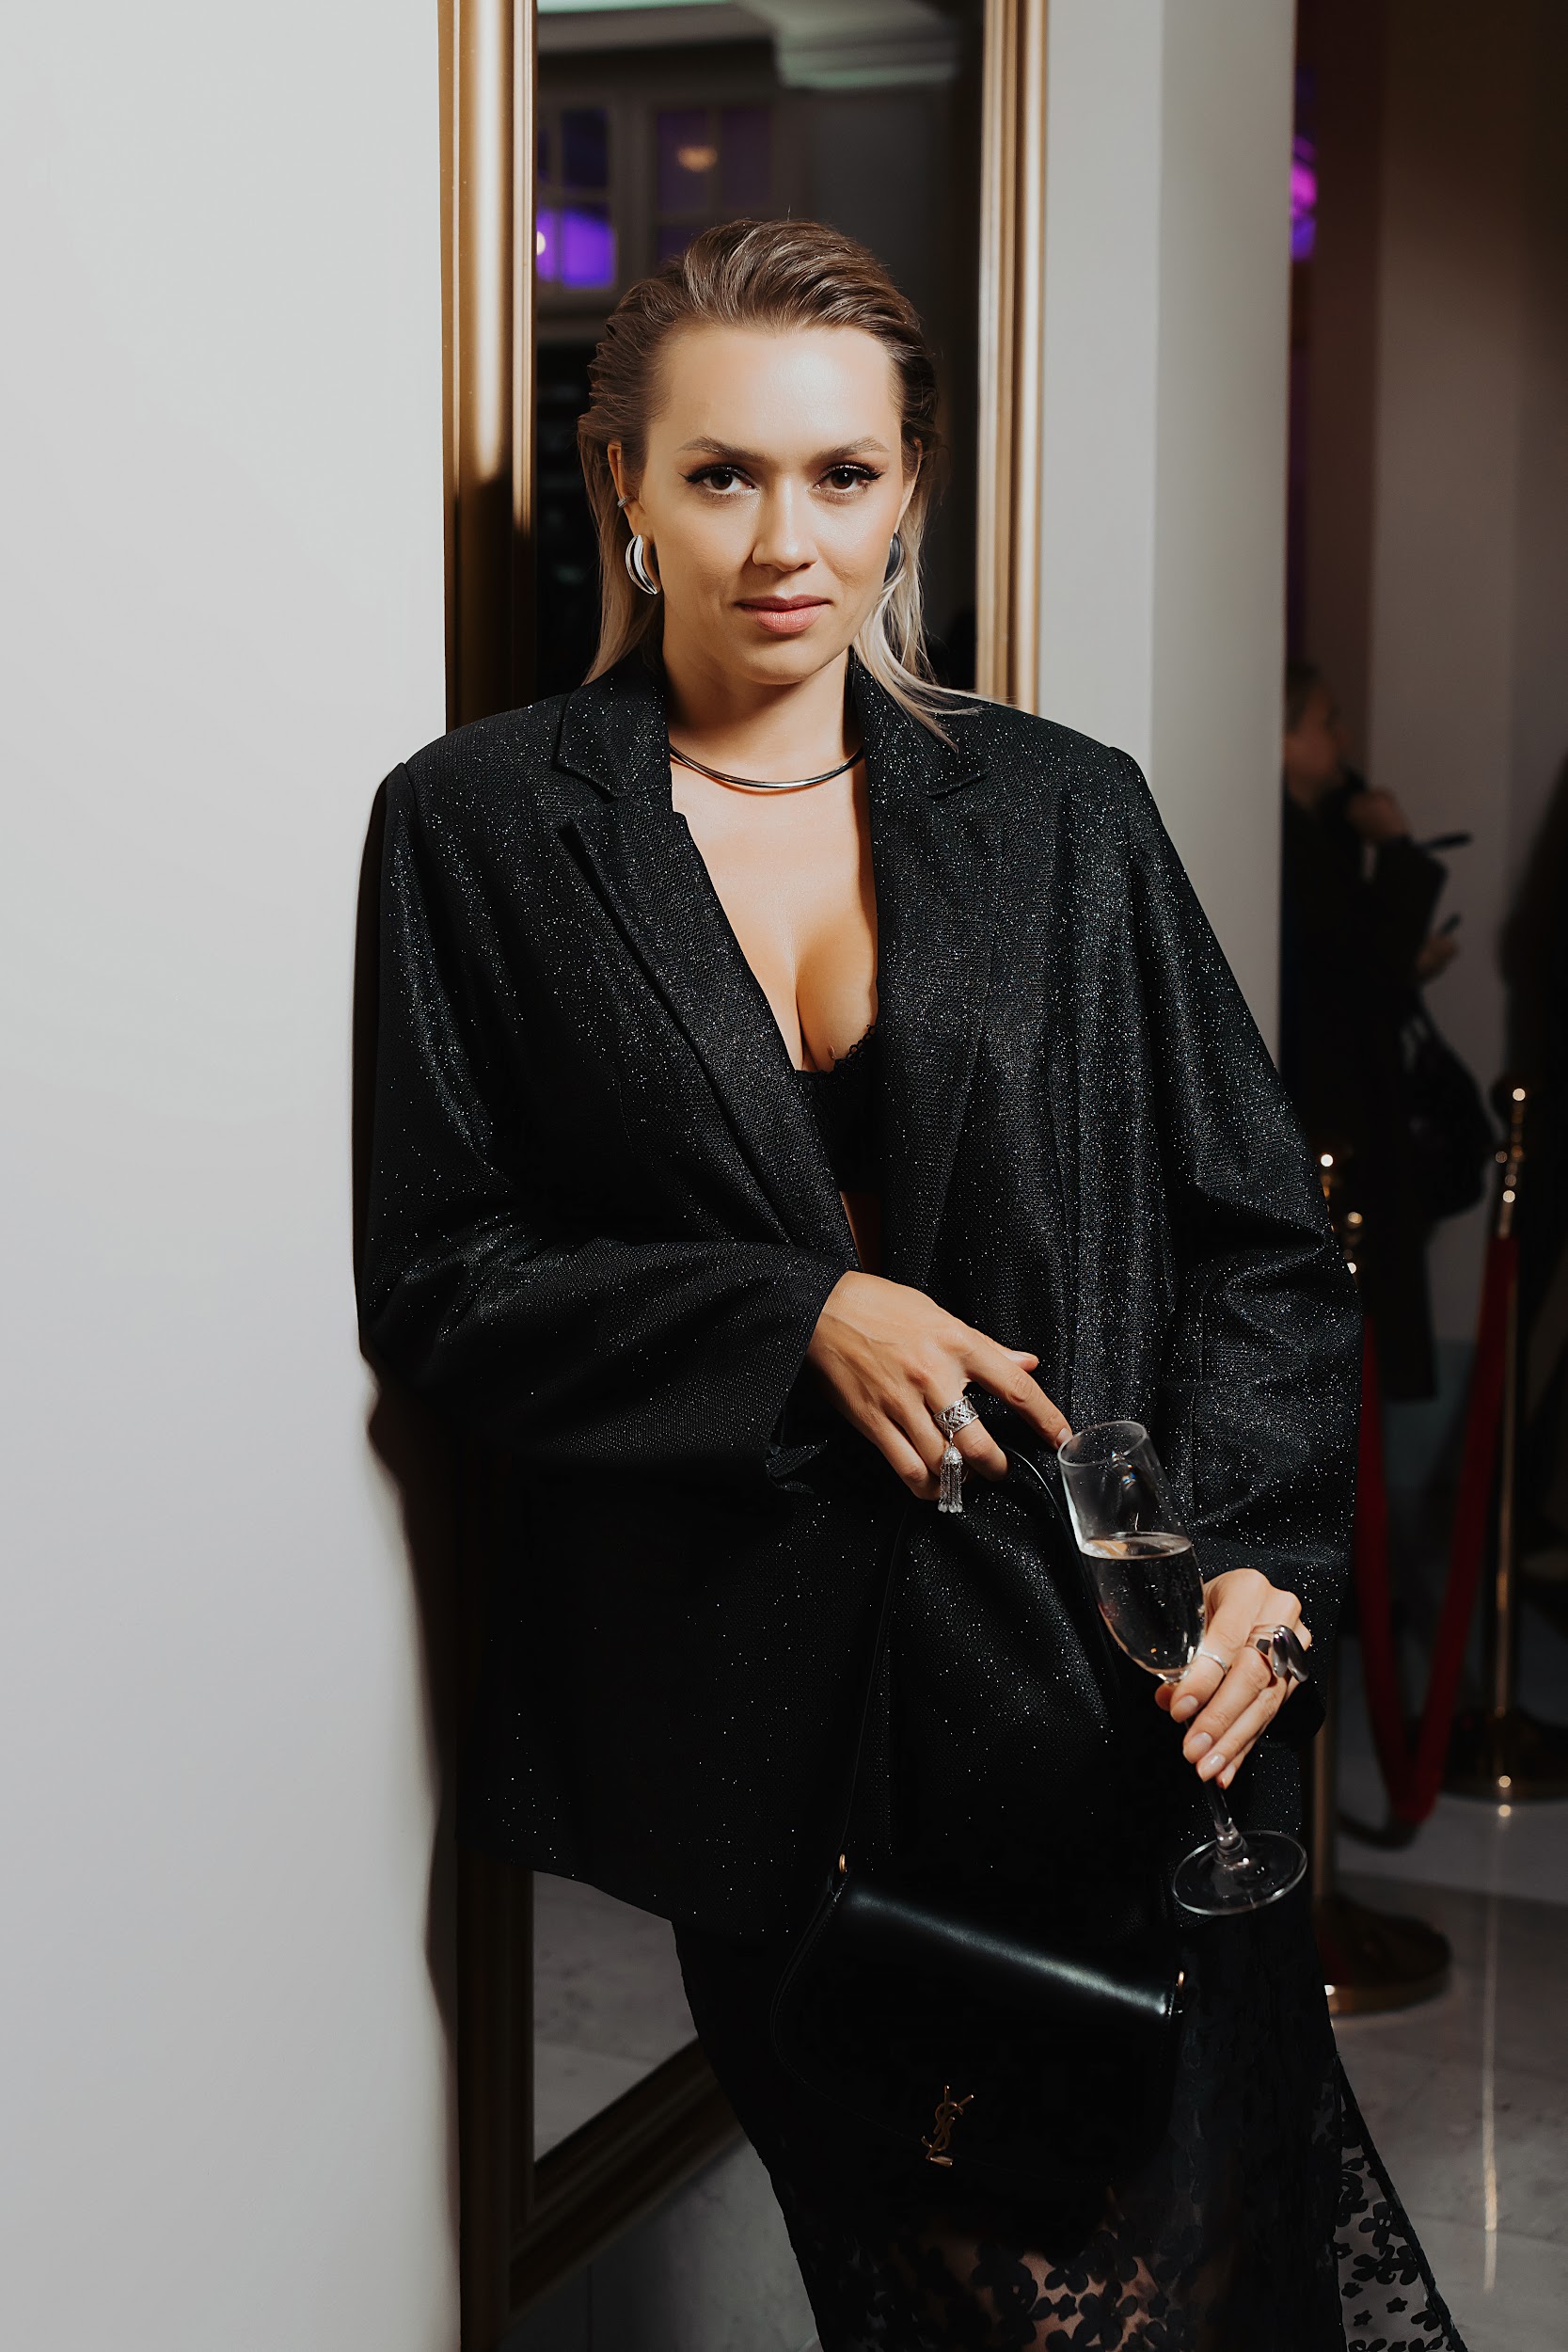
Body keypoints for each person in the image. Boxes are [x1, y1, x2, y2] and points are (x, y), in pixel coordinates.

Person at [360, 222, 1465, 2348]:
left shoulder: (1062, 816)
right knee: (939, 2301)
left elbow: (1256, 1239)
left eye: (842, 475)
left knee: (1219, 2286)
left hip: (1100, 1702)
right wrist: (791, 1315)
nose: (787, 541)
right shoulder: (481, 828)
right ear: (623, 483)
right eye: (723, 474)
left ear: (909, 493)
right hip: (766, 1756)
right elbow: (443, 1274)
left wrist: (1258, 1561)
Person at [1278, 661, 1456, 1400]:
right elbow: (1361, 960)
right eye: (1326, 722)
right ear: (1282, 734)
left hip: (1348, 1083)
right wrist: (1399, 849)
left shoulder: (1319, 833)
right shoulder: (1286, 842)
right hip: (1328, 1094)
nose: (1343, 739)